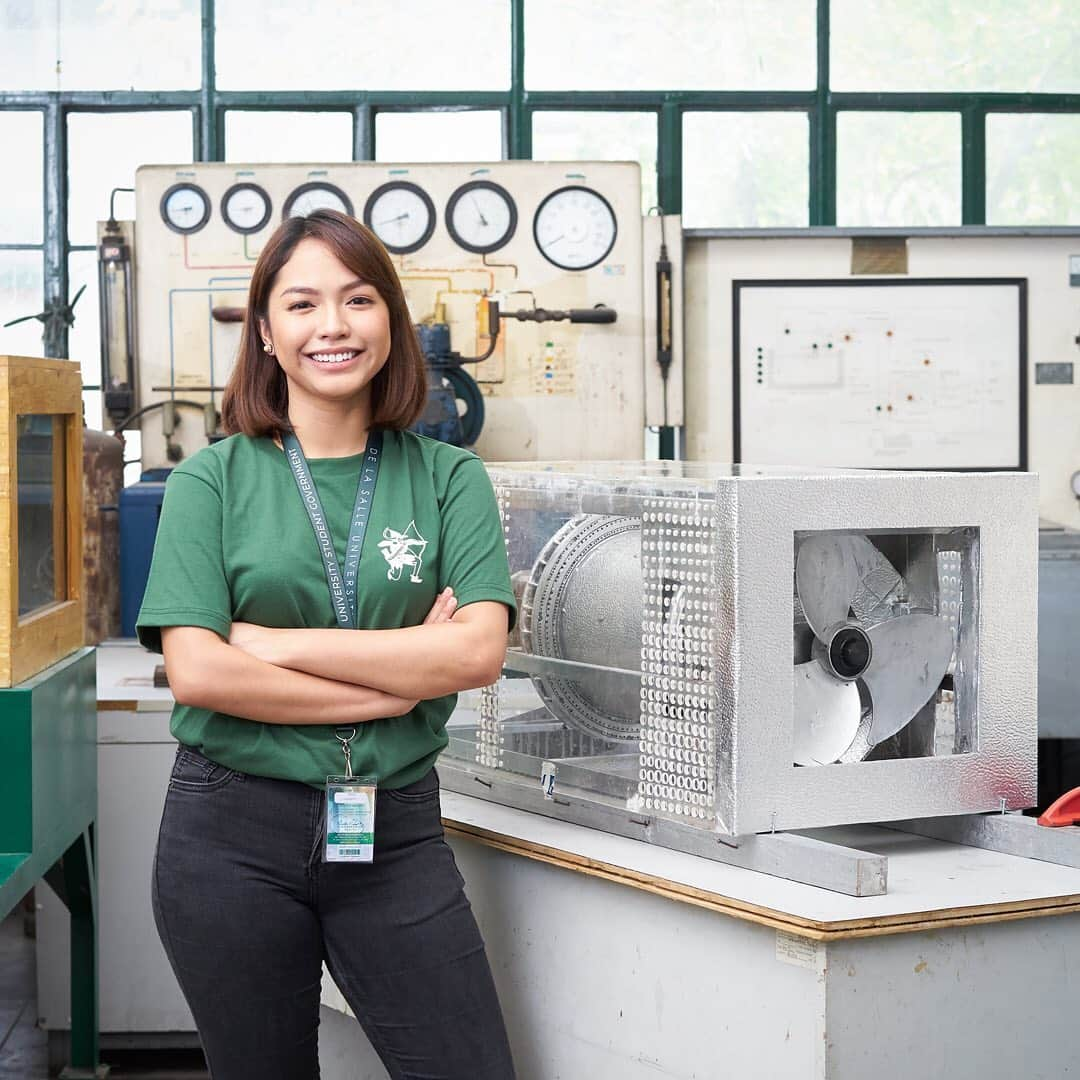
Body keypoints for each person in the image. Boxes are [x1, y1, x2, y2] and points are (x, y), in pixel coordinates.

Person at [136, 208, 518, 1080]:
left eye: (357, 299)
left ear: (390, 319)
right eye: (303, 304)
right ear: (266, 331)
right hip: (228, 834)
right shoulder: (211, 480)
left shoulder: (448, 475)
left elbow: (474, 654)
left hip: (396, 832)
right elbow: (197, 671)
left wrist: (269, 644)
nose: (333, 326)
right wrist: (393, 687)